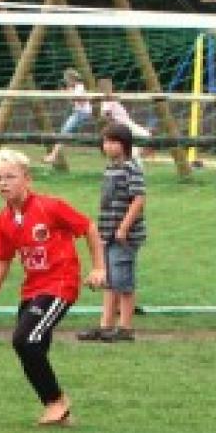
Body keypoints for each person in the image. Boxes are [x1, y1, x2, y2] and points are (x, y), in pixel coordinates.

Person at [0, 148, 105, 425]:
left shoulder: (50, 207)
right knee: (30, 346)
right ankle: (57, 410)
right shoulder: (3, 220)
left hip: (60, 284)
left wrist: (98, 268)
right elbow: (2, 260)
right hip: (33, 288)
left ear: (27, 179)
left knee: (25, 339)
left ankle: (57, 403)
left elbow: (89, 228)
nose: (3, 183)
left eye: (10, 177)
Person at [77, 124, 147, 343]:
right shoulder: (110, 168)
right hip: (107, 234)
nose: (108, 146)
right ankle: (106, 325)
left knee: (123, 281)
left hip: (123, 236)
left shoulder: (131, 168)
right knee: (109, 281)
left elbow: (138, 199)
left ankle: (125, 328)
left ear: (124, 144)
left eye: (113, 141)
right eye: (105, 141)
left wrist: (124, 227)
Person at [43, 68, 93, 165]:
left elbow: (81, 101)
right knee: (64, 133)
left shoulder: (79, 87)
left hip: (82, 113)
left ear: (72, 79)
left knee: (64, 133)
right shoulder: (74, 88)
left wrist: (70, 95)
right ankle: (53, 155)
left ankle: (53, 156)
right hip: (78, 113)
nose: (66, 82)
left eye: (67, 80)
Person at [98, 78, 152, 160]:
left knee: (143, 137)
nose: (110, 88)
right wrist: (114, 125)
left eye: (110, 86)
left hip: (126, 123)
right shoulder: (107, 101)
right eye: (106, 87)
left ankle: (135, 155)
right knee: (145, 135)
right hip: (124, 125)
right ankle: (134, 155)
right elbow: (106, 115)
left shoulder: (111, 99)